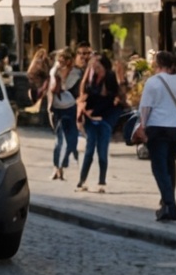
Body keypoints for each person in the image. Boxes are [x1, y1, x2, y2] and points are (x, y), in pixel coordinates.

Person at [135, 49, 176, 223]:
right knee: (170, 164)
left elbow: (145, 107)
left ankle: (170, 204)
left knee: (159, 167)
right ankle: (166, 202)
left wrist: (142, 126)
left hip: (157, 126)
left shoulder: (153, 82)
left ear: (157, 65)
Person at [75, 52, 121, 193]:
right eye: (92, 64)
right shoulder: (91, 77)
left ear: (103, 64)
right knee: (89, 151)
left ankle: (102, 181)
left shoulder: (109, 76)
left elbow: (112, 99)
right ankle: (81, 181)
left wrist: (95, 111)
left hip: (104, 118)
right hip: (90, 119)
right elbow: (84, 94)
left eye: (96, 64)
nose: (93, 66)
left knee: (102, 151)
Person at [45, 46, 85, 181]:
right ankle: (57, 168)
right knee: (59, 140)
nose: (60, 62)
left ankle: (63, 165)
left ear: (69, 61)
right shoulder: (54, 72)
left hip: (71, 108)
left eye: (63, 60)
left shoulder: (76, 73)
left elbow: (66, 88)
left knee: (71, 140)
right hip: (57, 109)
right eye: (59, 59)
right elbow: (52, 90)